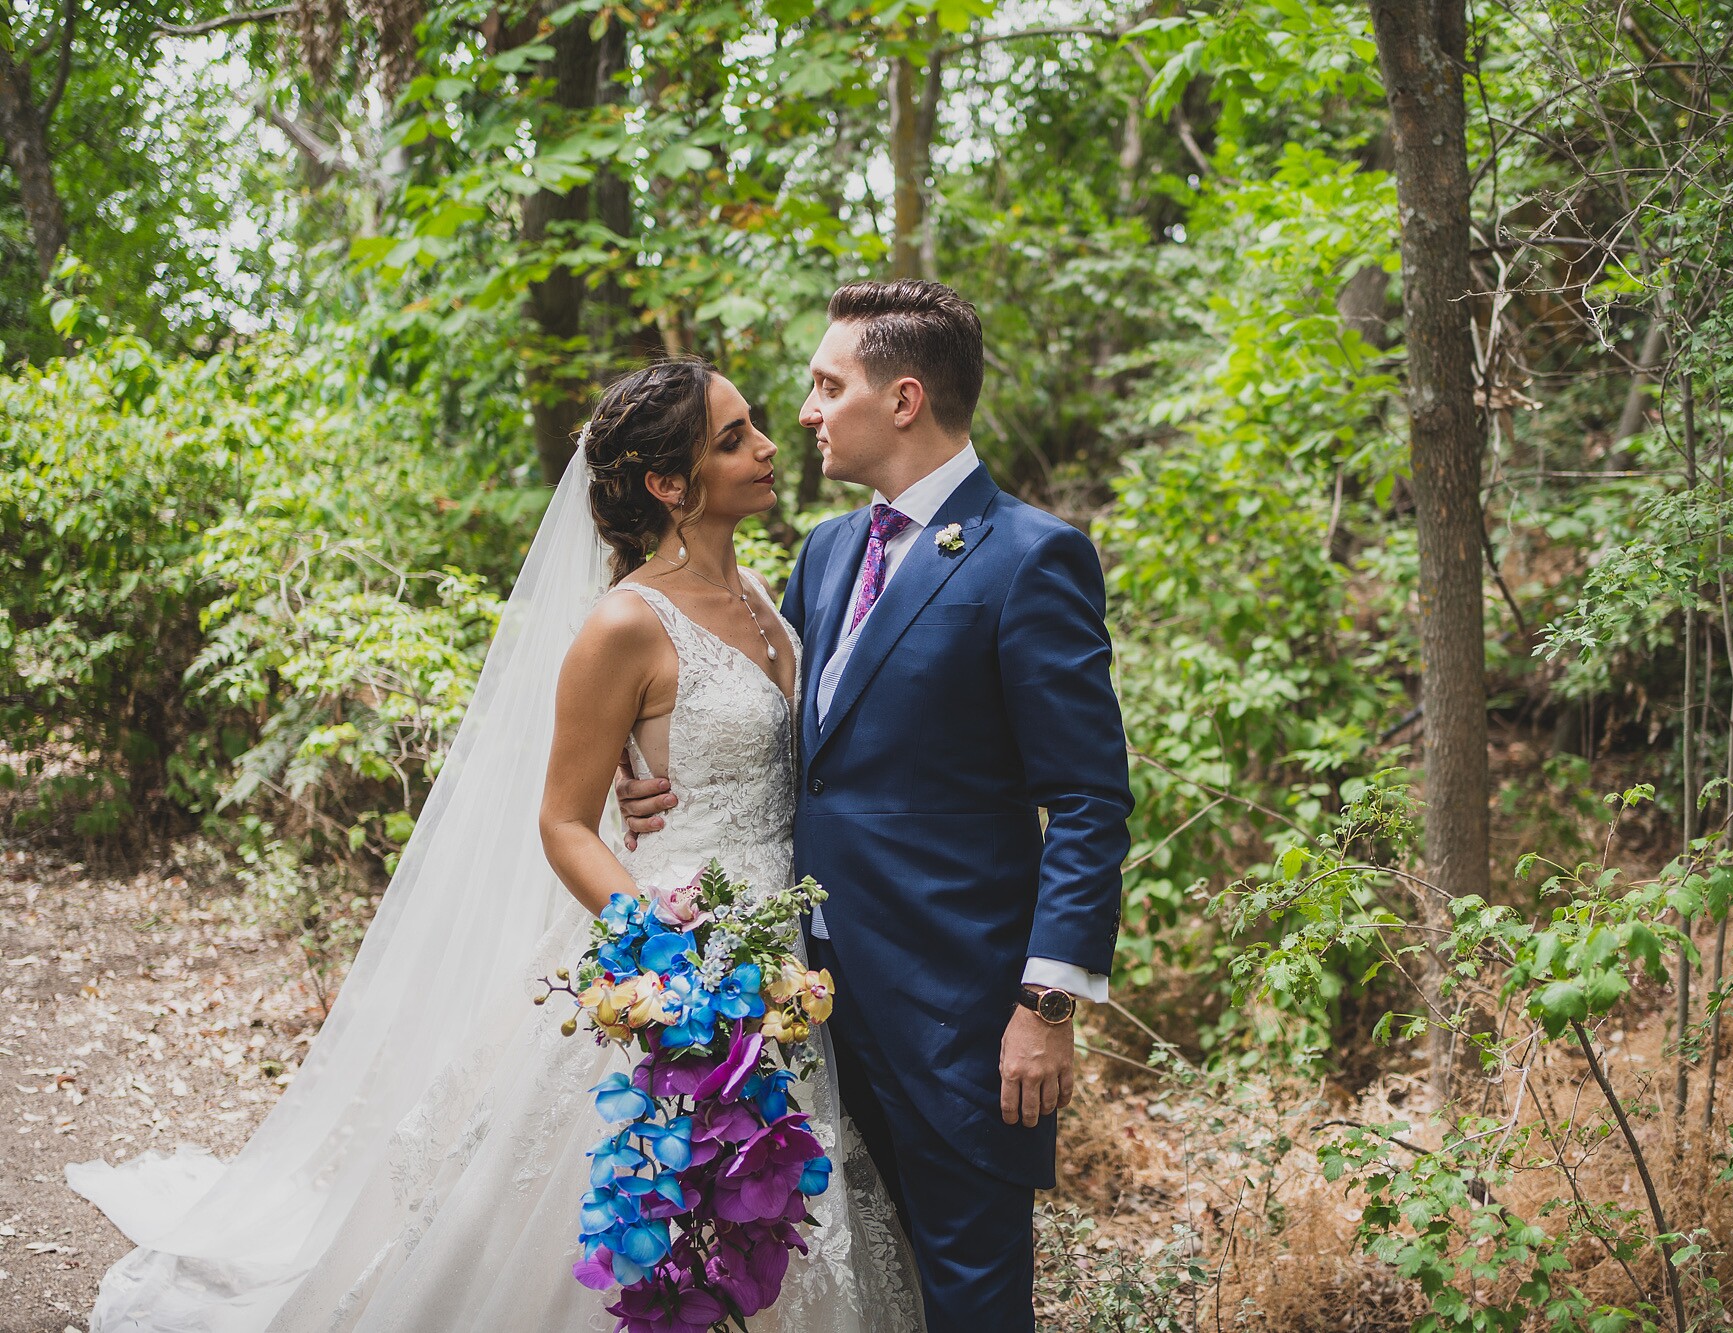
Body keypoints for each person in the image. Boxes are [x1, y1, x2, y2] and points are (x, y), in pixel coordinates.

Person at [67, 359, 923, 1331]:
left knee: (773, 1194)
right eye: (731, 438)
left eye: (754, 426)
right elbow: (563, 820)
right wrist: (671, 966)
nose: (767, 446)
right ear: (667, 484)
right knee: (649, 1197)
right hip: (679, 958)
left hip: (786, 950)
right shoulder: (624, 624)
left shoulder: (772, 594)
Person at [619, 280, 1132, 1332]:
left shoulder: (1030, 557)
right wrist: (650, 767)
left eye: (823, 385)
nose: (803, 412)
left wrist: (1045, 1007)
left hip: (958, 1018)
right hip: (804, 1014)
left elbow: (1086, 798)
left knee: (971, 1301)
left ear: (902, 399)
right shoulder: (822, 553)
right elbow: (791, 741)